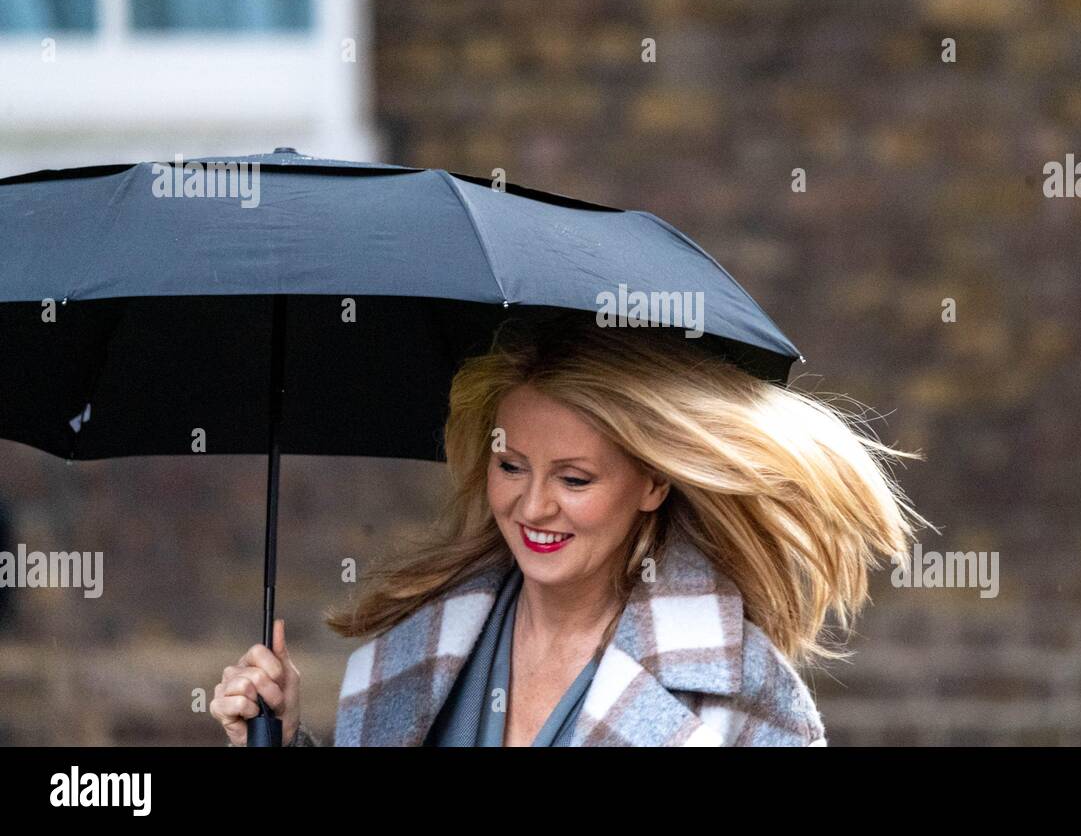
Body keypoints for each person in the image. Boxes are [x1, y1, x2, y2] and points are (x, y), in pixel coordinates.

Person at [213, 315, 930, 746]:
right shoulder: (419, 649)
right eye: (513, 465)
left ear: (653, 483)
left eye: (575, 479)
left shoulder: (738, 689)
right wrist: (276, 737)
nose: (533, 507)